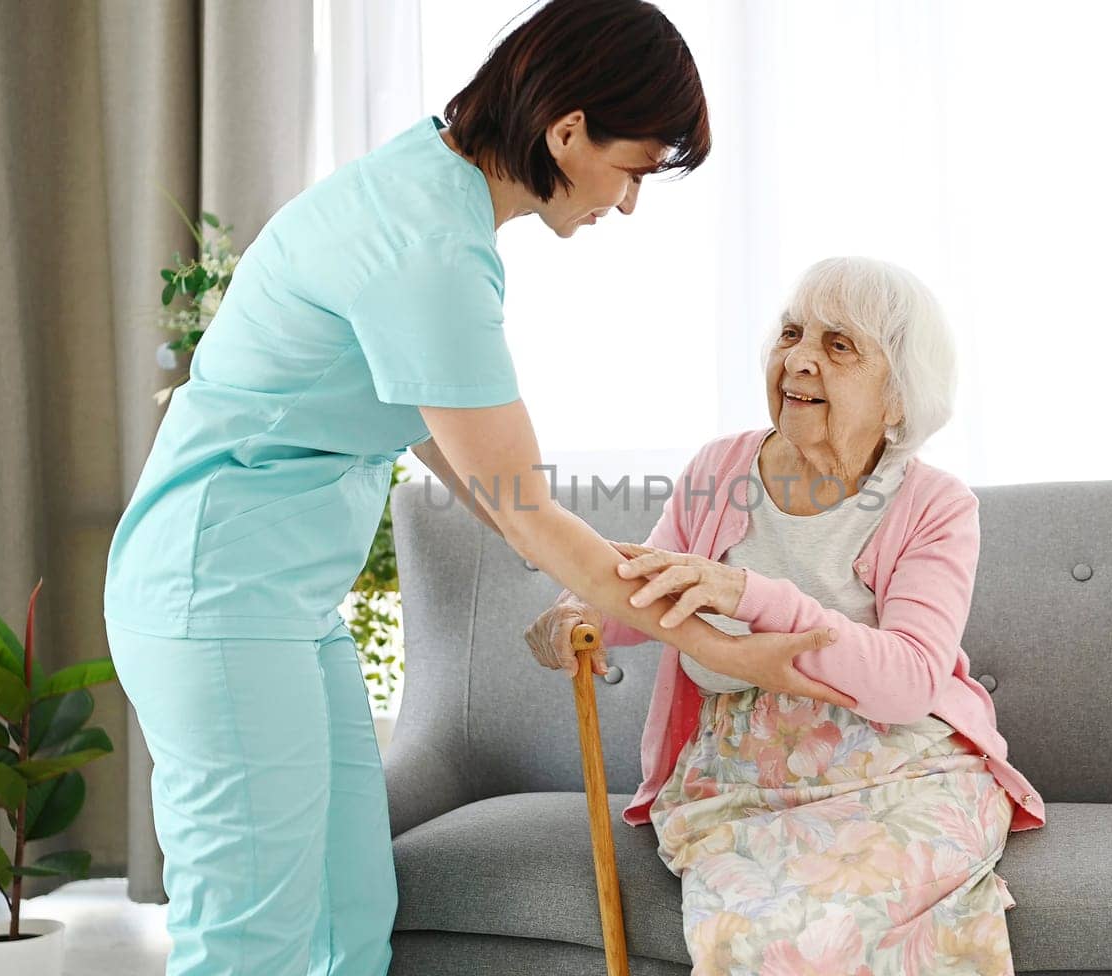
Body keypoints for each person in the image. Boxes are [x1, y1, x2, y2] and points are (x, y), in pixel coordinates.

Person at [103, 3, 851, 973]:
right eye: (632, 169)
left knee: (349, 916)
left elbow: (468, 465)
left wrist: (556, 555)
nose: (627, 203)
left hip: (282, 604)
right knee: (254, 937)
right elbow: (524, 503)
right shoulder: (428, 246)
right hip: (217, 599)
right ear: (567, 128)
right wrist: (729, 652)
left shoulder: (432, 195)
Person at [527, 257, 1048, 975]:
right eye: (792, 333)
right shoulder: (718, 471)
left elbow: (909, 683)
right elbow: (649, 588)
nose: (799, 359)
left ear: (898, 395)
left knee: (861, 929)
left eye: (839, 346)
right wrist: (581, 610)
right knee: (765, 939)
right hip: (739, 777)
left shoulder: (936, 506)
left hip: (901, 766)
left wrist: (749, 595)